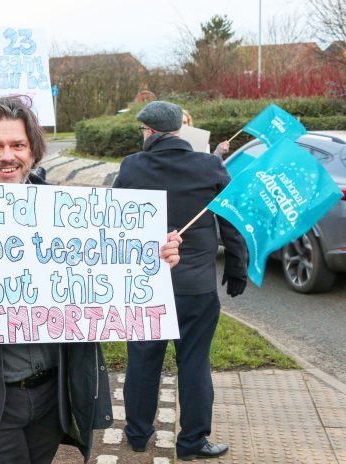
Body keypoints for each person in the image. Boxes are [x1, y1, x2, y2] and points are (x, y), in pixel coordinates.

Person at [0, 96, 182, 464]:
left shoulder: (66, 212)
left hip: (50, 397)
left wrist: (150, 262)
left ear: (33, 151)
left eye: (17, 145)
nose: (6, 156)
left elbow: (107, 269)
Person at [114, 101, 248, 461]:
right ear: (179, 130)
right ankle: (192, 443)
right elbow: (231, 220)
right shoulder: (210, 166)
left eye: (142, 130)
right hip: (197, 288)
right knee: (194, 362)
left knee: (142, 360)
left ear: (151, 131)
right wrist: (237, 267)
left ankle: (138, 435)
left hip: (145, 286)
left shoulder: (132, 166)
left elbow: (111, 221)